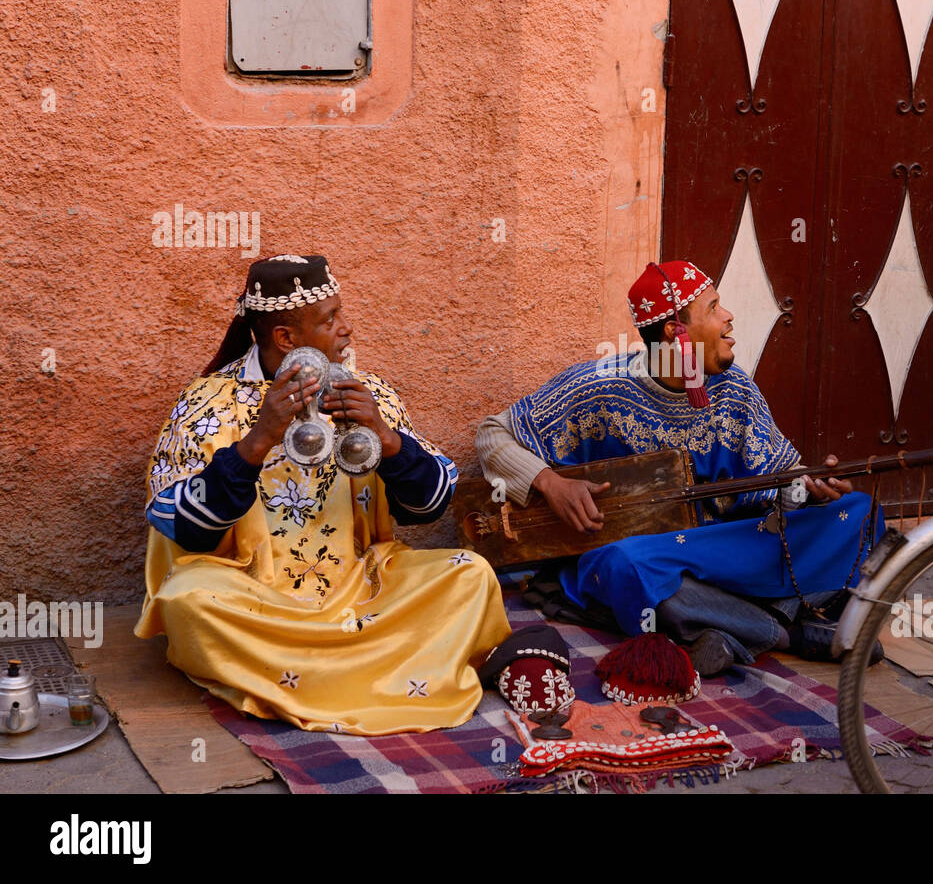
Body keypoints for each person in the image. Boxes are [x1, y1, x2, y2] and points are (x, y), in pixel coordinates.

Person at [136, 255, 511, 733]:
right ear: (286, 338)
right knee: (187, 601)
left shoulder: (366, 391)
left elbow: (431, 504)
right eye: (330, 318)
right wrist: (258, 441)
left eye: (341, 313)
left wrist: (387, 439)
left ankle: (307, 673)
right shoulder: (209, 402)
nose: (347, 328)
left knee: (471, 575)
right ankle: (376, 669)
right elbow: (181, 527)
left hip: (362, 589)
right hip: (257, 599)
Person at [475, 261, 885, 676]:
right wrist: (549, 484)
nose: (728, 317)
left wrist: (810, 491)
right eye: (713, 307)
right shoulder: (598, 387)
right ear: (676, 330)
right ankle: (786, 634)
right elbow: (491, 435)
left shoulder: (735, 388)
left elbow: (780, 476)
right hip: (650, 557)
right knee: (627, 565)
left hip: (722, 547)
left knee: (859, 515)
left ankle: (722, 627)